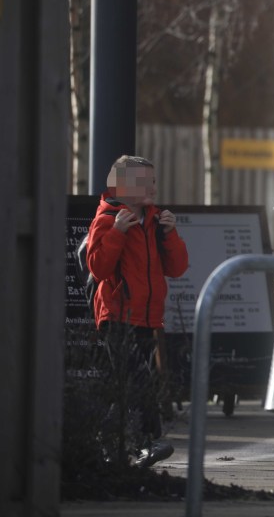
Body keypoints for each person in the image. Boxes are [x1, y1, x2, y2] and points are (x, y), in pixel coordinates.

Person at [87, 155, 189, 467]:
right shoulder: (107, 218)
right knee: (140, 379)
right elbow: (98, 266)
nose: (152, 188)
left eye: (153, 181)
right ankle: (150, 440)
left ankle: (108, 446)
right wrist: (117, 232)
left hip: (148, 317)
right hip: (116, 316)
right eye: (143, 183)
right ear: (120, 187)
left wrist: (170, 235)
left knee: (124, 386)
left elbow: (177, 268)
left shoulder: (156, 223)